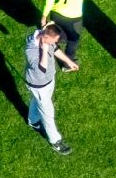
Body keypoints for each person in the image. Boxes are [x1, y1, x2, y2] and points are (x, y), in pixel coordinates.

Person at [24, 23, 79, 155]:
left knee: (37, 101)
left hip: (49, 81)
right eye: (54, 40)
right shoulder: (31, 50)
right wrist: (44, 50)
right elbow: (41, 70)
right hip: (39, 86)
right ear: (45, 37)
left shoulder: (46, 36)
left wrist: (69, 61)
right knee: (48, 112)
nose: (56, 42)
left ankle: (33, 120)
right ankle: (56, 142)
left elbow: (55, 50)